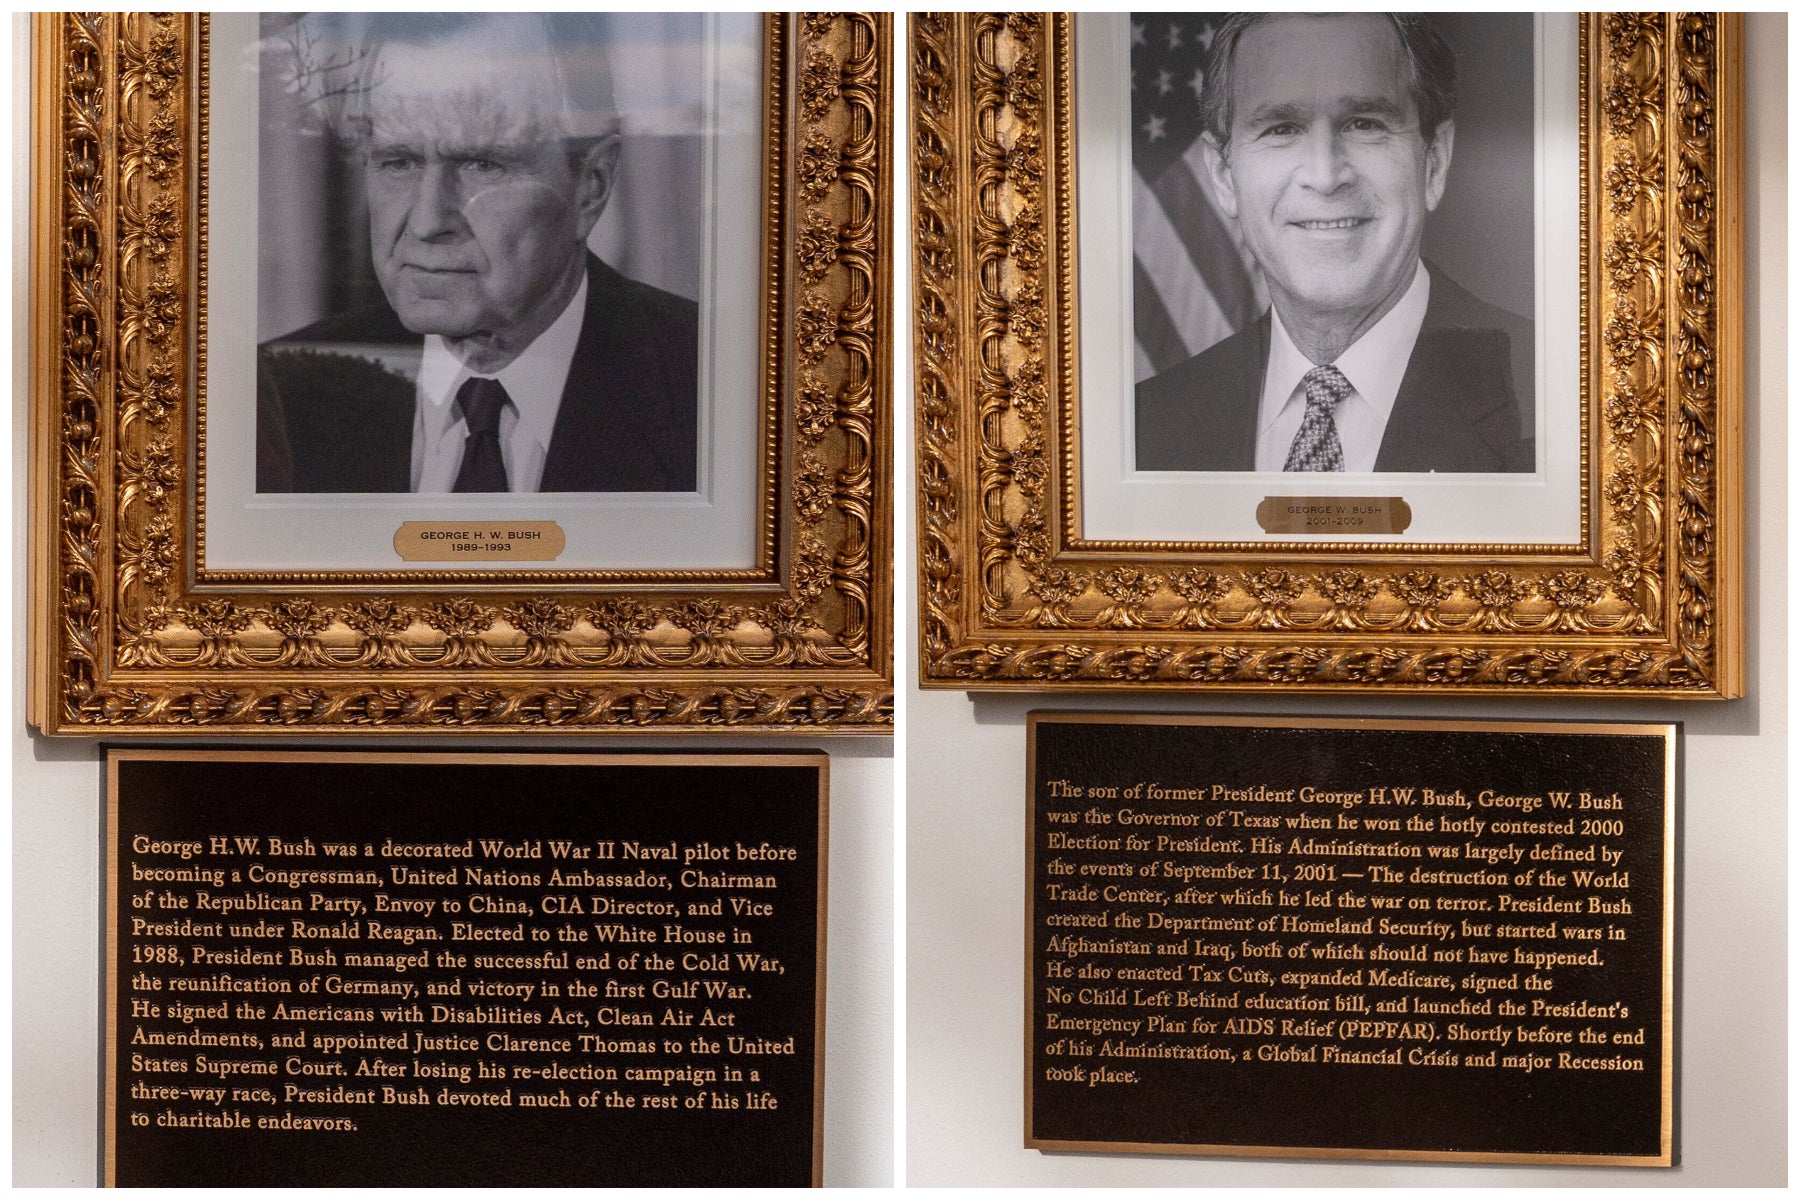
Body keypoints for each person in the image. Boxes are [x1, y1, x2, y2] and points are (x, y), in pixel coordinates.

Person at [256, 14, 697, 494]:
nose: (427, 222)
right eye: (398, 162)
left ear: (591, 187)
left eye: (482, 165)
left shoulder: (714, 386)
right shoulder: (281, 393)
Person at [1135, 13, 1533, 474]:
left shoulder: (1565, 391)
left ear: (1434, 163)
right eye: (1281, 128)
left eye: (1364, 124)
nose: (1324, 177)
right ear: (1224, 177)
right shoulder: (1146, 427)